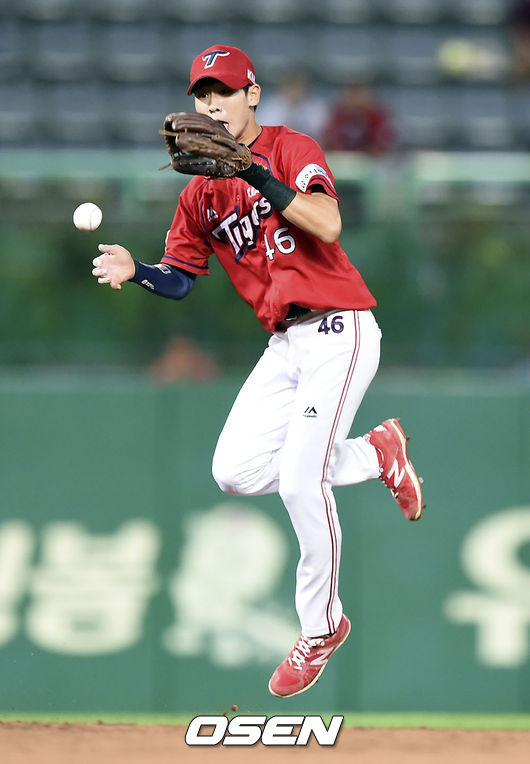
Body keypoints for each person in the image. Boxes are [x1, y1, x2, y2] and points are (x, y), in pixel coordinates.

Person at [91, 44, 424, 699]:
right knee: (235, 470)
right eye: (202, 94)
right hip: (285, 344)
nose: (211, 104)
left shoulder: (291, 148)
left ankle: (321, 628)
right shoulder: (199, 194)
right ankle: (374, 453)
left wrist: (256, 173)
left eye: (224, 91)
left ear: (253, 95)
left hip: (339, 325)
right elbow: (181, 278)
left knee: (300, 479)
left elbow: (328, 223)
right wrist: (139, 272)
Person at [321, 82, 395, 156]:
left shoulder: (377, 117)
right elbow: (329, 142)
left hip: (370, 159)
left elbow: (382, 146)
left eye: (359, 97)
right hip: (344, 158)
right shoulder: (337, 116)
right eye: (352, 97)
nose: (356, 101)